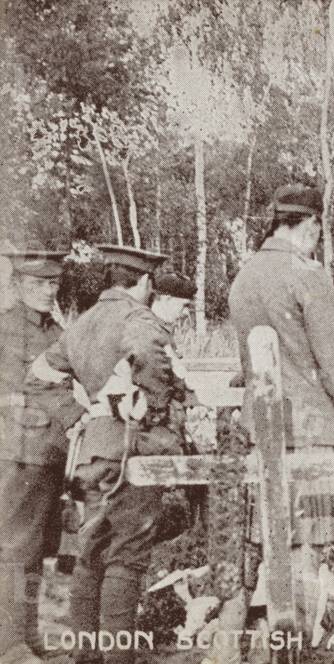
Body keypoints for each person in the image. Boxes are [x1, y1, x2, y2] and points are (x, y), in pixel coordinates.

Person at [228, 184, 334, 629]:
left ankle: (265, 637)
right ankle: (296, 640)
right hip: (310, 431)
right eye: (319, 229)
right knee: (306, 549)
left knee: (269, 542)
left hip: (261, 428)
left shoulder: (245, 276)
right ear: (312, 224)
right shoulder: (307, 274)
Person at [26, 245, 188, 664]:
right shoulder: (138, 317)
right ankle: (118, 659)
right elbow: (150, 356)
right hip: (132, 453)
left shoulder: (84, 321)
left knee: (91, 554)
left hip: (95, 453)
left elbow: (39, 375)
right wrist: (153, 407)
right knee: (127, 558)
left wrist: (80, 414)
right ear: (146, 281)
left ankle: (86, 656)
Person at [0, 250, 66, 664]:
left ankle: (28, 632)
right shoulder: (5, 329)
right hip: (16, 455)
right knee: (12, 550)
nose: (47, 290)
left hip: (49, 455)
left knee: (39, 549)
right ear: (19, 284)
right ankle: (8, 644)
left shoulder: (57, 331)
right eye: (39, 283)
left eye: (53, 283)